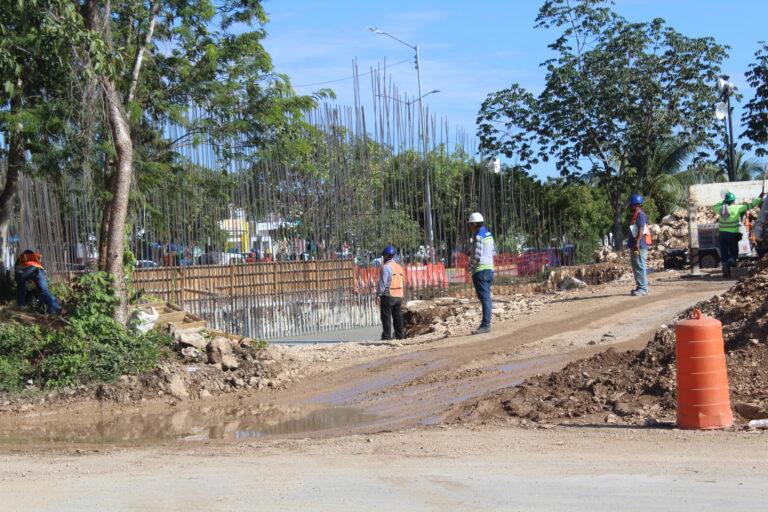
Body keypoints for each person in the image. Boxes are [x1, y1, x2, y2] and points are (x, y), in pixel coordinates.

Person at [713, 191, 763, 278]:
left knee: (724, 254)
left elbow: (713, 207)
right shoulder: (737, 208)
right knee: (734, 254)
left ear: (726, 201)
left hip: (722, 235)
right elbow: (751, 205)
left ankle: (726, 270)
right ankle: (727, 265)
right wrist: (759, 198)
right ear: (733, 201)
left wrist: (723, 202)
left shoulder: (720, 208)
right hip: (732, 235)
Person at [467, 212, 494, 334]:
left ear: (473, 224)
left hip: (480, 270)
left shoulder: (478, 235)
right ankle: (486, 323)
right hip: (489, 269)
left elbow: (477, 256)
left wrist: (469, 267)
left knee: (484, 298)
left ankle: (485, 324)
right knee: (486, 297)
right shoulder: (488, 234)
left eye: (470, 225)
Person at [14, 250, 61, 314]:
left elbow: (17, 272)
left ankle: (22, 306)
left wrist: (19, 280)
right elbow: (44, 271)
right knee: (44, 291)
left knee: (21, 286)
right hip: (39, 270)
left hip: (26, 271)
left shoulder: (20, 258)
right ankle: (53, 307)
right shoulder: (36, 258)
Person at [376, 246, 405, 340]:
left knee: (386, 317)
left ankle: (386, 337)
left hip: (388, 295)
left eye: (384, 256)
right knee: (397, 317)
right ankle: (400, 336)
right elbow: (402, 282)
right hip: (399, 296)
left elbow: (382, 283)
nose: (383, 258)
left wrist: (378, 295)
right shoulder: (399, 267)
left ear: (386, 256)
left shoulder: (386, 267)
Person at [627, 195, 651, 296]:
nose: (630, 207)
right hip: (636, 245)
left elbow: (641, 229)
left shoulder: (640, 215)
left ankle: (643, 288)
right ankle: (640, 286)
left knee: (640, 265)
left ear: (635, 205)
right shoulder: (636, 215)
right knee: (636, 266)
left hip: (639, 245)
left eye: (631, 205)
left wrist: (637, 243)